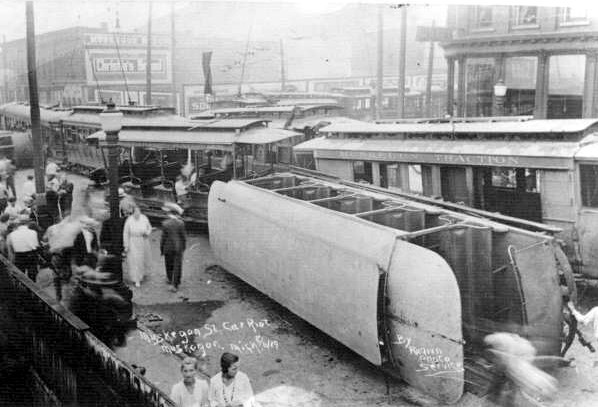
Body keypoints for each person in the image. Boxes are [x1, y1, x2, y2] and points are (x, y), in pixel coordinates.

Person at [123, 205, 152, 288]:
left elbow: (149, 227)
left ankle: (141, 274)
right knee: (134, 260)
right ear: (133, 212)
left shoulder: (144, 218)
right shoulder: (129, 220)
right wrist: (126, 245)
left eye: (139, 212)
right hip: (133, 242)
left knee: (141, 259)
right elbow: (125, 233)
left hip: (142, 241)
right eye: (136, 212)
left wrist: (147, 233)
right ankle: (136, 279)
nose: (137, 214)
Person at [160, 202, 186, 292]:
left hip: (168, 248)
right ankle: (175, 284)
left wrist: (161, 249)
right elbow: (183, 237)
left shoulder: (165, 223)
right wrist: (184, 247)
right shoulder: (181, 223)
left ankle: (170, 279)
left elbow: (163, 238)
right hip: (178, 248)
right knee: (177, 266)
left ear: (170, 213)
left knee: (168, 264)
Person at [6, 215, 40, 281]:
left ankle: (22, 289)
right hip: (31, 255)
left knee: (20, 277)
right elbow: (36, 246)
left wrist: (11, 264)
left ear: (18, 224)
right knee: (32, 277)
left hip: (19, 256)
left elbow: (10, 252)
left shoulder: (11, 234)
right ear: (28, 223)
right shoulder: (33, 232)